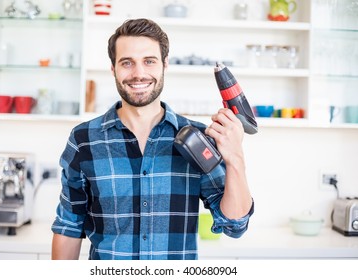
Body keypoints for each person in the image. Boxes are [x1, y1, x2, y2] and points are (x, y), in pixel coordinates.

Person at [51, 18, 254, 260]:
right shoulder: (84, 139)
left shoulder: (197, 139)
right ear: (113, 68)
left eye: (149, 61)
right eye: (127, 63)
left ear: (164, 64)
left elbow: (234, 225)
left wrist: (236, 158)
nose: (139, 74)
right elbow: (69, 227)